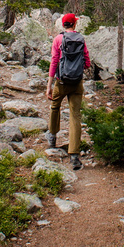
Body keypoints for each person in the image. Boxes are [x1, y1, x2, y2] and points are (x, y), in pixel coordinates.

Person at [45, 13, 90, 170]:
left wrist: (49, 85)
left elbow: (54, 61)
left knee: (55, 106)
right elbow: (87, 62)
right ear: (74, 24)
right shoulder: (81, 39)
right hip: (77, 82)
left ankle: (52, 136)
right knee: (75, 116)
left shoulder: (58, 39)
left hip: (61, 81)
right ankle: (74, 156)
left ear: (63, 25)